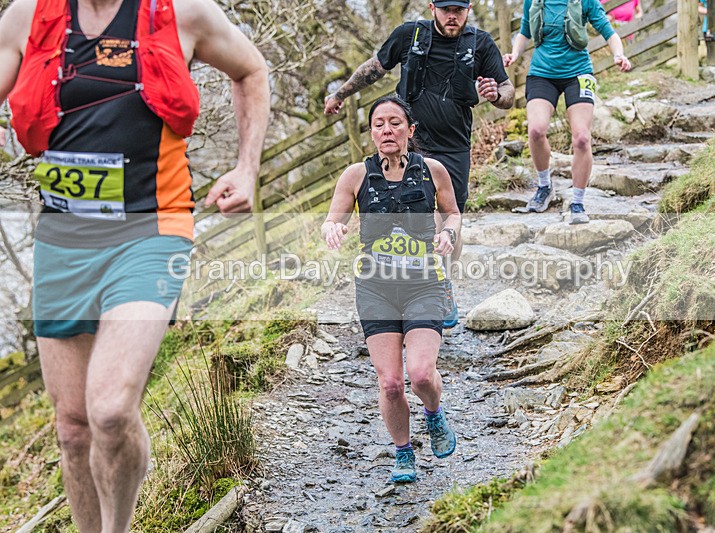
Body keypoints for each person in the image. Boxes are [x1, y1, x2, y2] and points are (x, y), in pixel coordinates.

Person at [0, 0, 269, 528]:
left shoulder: (183, 12)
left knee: (109, 409)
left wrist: (247, 167)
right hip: (62, 239)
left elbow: (251, 68)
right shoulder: (29, 16)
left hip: (151, 231)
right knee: (74, 428)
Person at [323, 0, 514, 328]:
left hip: (454, 147)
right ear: (432, 7)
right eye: (445, 9)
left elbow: (508, 91)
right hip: (410, 143)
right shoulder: (410, 35)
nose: (451, 16)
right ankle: (396, 287)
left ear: (468, 9)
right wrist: (341, 93)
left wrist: (496, 95)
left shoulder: (481, 43)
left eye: (458, 9)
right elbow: (375, 67)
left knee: (450, 217)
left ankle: (444, 282)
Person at [322, 96, 461, 483]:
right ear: (371, 133)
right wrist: (332, 228)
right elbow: (333, 218)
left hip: (423, 285)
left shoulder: (433, 170)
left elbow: (452, 212)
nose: (387, 130)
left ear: (410, 130)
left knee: (419, 374)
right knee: (391, 382)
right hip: (376, 288)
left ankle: (434, 414)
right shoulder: (356, 175)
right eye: (379, 124)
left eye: (396, 123)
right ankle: (403, 453)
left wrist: (448, 232)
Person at [504, 0, 631, 224]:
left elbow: (608, 32)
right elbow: (525, 32)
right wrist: (514, 54)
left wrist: (618, 54)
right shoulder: (534, 2)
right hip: (542, 73)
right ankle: (544, 187)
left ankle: (578, 202)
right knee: (535, 130)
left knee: (582, 138)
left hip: (579, 73)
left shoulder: (585, 2)